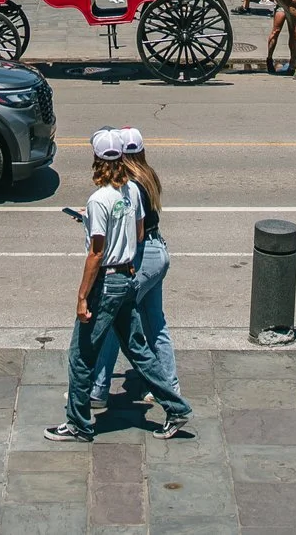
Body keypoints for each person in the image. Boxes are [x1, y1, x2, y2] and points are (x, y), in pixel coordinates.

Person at [50, 131, 184, 442]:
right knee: (138, 349)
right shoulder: (131, 192)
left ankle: (78, 423)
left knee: (81, 354)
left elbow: (96, 253)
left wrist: (83, 295)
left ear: (97, 160)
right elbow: (138, 235)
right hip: (126, 276)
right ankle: (175, 406)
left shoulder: (99, 200)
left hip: (107, 281)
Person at [84, 127, 192, 435]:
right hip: (159, 252)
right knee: (155, 323)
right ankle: (169, 385)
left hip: (143, 255)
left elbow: (133, 230)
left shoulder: (130, 184)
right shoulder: (148, 175)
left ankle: (98, 389)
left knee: (116, 325)